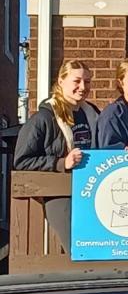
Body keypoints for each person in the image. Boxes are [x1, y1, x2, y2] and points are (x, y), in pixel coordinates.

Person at [15, 60, 95, 247]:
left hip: (91, 190)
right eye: (77, 81)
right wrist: (61, 163)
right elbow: (21, 160)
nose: (83, 87)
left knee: (97, 247)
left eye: (87, 82)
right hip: (59, 194)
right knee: (77, 248)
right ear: (61, 81)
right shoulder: (43, 118)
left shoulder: (92, 114)